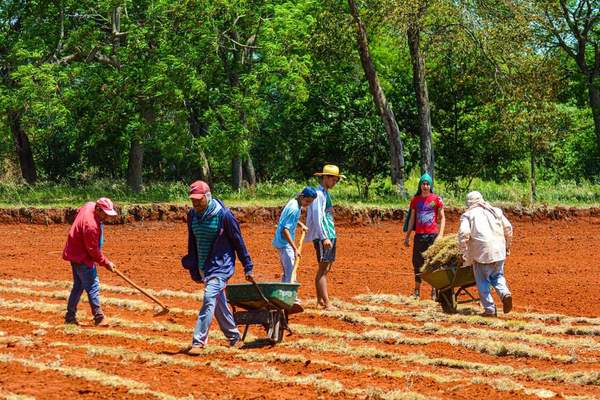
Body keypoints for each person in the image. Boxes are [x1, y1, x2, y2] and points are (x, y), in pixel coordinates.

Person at [181, 180, 253, 355]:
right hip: (204, 266)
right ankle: (234, 337)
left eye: (199, 199)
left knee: (209, 297)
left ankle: (198, 341)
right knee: (218, 302)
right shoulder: (192, 215)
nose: (195, 203)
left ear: (208, 196)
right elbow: (192, 242)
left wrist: (247, 266)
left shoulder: (224, 215)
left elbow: (238, 241)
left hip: (222, 265)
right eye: (193, 200)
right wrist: (193, 267)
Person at [62, 197, 117, 326]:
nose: (107, 217)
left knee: (78, 286)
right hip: (82, 256)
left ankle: (70, 317)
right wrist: (106, 263)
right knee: (93, 286)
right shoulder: (91, 226)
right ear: (98, 209)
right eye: (105, 213)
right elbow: (93, 250)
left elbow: (78, 212)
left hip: (74, 252)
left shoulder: (89, 205)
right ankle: (99, 317)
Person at [458, 191, 513, 317]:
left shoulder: (468, 215)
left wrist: (463, 253)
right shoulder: (495, 211)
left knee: (482, 281)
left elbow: (463, 234)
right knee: (498, 276)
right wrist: (507, 246)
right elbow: (509, 228)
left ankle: (490, 310)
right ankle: (505, 294)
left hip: (482, 253)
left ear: (469, 203)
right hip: (499, 250)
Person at [306, 164, 344, 309]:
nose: (335, 183)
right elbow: (317, 218)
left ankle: (321, 300)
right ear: (326, 178)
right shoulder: (319, 195)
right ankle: (326, 302)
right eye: (334, 179)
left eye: (337, 180)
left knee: (326, 268)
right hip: (325, 236)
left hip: (330, 233)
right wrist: (324, 237)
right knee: (323, 268)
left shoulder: (325, 193)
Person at [403, 172, 445, 299]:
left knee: (433, 262)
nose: (425, 186)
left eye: (427, 184)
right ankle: (417, 291)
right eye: (423, 183)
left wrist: (440, 234)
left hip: (432, 235)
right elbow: (412, 219)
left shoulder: (436, 199)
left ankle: (434, 291)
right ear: (420, 185)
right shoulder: (415, 200)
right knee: (417, 263)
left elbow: (443, 218)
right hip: (419, 236)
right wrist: (408, 236)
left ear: (430, 185)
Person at [272, 187, 317, 283]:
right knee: (291, 272)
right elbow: (285, 230)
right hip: (284, 243)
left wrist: (301, 225)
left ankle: (284, 294)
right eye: (307, 201)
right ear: (302, 197)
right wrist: (295, 249)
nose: (308, 204)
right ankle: (290, 296)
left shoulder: (294, 202)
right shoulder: (294, 209)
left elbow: (288, 219)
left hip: (282, 242)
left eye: (310, 202)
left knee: (288, 271)